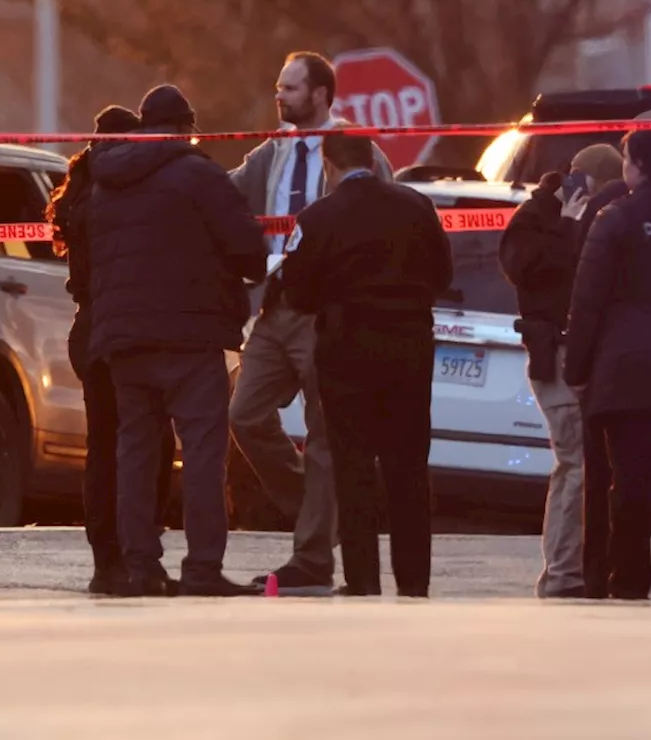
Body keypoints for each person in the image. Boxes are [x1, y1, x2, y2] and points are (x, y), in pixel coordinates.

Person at [87, 85, 267, 597]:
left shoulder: (106, 179)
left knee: (137, 454)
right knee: (205, 452)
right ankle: (203, 566)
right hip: (189, 337)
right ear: (188, 127)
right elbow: (248, 252)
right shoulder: (199, 174)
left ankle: (140, 565)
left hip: (123, 341)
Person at [228, 51, 394, 596]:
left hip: (328, 311)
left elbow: (383, 216)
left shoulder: (357, 150)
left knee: (324, 433)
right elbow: (227, 191)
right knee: (244, 413)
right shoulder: (272, 150)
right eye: (279, 87)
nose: (280, 97)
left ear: (322, 95)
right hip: (275, 308)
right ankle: (315, 513)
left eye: (291, 89)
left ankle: (312, 554)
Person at [279, 133, 453, 597]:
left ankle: (363, 579)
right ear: (373, 163)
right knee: (408, 465)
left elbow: (295, 290)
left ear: (328, 166)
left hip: (346, 348)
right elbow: (442, 274)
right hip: (409, 348)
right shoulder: (416, 207)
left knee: (352, 465)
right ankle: (414, 581)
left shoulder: (318, 217)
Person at [48, 106, 178, 595]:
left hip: (87, 327)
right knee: (148, 443)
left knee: (102, 448)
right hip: (123, 329)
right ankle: (136, 549)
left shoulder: (78, 189)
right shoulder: (123, 191)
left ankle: (107, 559)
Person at [564, 128, 651, 601]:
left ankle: (628, 583)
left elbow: (587, 301)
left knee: (629, 483)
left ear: (639, 166)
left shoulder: (616, 217)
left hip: (626, 374)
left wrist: (577, 370)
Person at [498, 166, 596, 598]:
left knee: (578, 464)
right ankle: (561, 575)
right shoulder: (537, 218)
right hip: (552, 355)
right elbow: (528, 269)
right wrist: (569, 226)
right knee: (574, 462)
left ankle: (570, 570)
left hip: (579, 356)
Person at [565, 143, 632, 599]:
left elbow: (584, 294)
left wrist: (577, 367)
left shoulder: (607, 214)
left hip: (613, 365)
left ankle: (603, 575)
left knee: (604, 473)